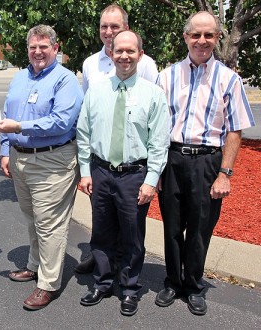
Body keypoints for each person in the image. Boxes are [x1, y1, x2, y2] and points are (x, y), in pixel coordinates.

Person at [155, 11, 255, 316]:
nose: (202, 41)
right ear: (185, 37)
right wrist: (156, 169)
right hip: (171, 158)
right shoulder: (166, 76)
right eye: (195, 35)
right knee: (172, 226)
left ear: (217, 38)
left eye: (209, 35)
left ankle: (194, 285)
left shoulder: (229, 79)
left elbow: (235, 130)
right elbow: (156, 126)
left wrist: (225, 174)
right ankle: (173, 281)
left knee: (200, 228)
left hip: (207, 162)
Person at [76, 30, 170, 316]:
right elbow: (83, 133)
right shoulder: (96, 91)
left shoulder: (153, 94)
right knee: (101, 234)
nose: (124, 56)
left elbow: (159, 141)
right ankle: (102, 283)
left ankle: (129, 288)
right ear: (111, 54)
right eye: (119, 51)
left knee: (132, 235)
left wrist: (151, 180)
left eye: (131, 51)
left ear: (140, 55)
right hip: (101, 172)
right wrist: (85, 171)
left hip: (134, 176)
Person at [0, 24, 83, 310]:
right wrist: (6, 150)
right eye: (33, 46)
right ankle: (34, 265)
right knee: (32, 217)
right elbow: (7, 113)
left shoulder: (66, 81)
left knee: (50, 224)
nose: (38, 51)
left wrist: (19, 127)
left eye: (44, 46)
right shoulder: (20, 78)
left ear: (56, 48)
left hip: (52, 160)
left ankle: (48, 283)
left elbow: (61, 122)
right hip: (20, 158)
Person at [76, 3, 159, 274]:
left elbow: (154, 119)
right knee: (102, 223)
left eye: (115, 26)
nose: (109, 31)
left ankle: (127, 278)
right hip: (101, 165)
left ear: (126, 28)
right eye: (104, 26)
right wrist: (86, 168)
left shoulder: (146, 66)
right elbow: (87, 120)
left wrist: (151, 175)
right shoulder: (90, 64)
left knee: (131, 227)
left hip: (132, 165)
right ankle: (103, 270)